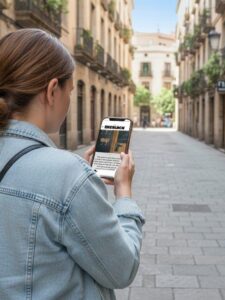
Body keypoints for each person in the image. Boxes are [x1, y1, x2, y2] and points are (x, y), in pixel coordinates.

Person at [0, 29, 144, 300]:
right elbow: (122, 269)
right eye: (70, 89)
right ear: (53, 90)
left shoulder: (69, 173)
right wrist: (124, 194)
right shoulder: (67, 176)